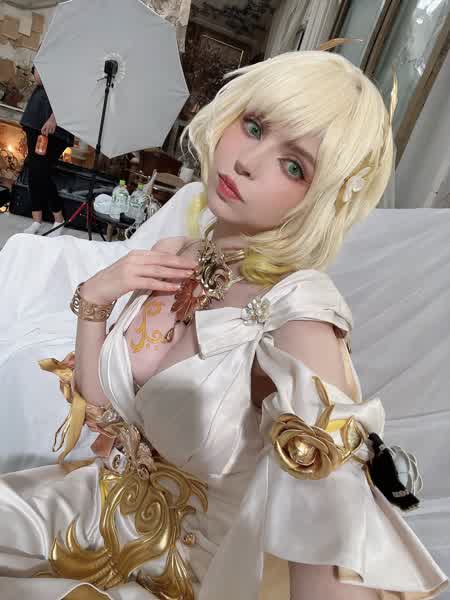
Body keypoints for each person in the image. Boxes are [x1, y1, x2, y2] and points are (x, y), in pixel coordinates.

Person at [0, 50, 447, 599]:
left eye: (294, 166)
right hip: (89, 509)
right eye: (254, 126)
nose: (247, 161)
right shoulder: (176, 253)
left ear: (323, 200)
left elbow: (332, 535)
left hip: (180, 578)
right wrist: (94, 299)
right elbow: (104, 415)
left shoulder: (298, 319)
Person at [20, 65, 74, 236]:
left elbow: (73, 92)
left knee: (42, 170)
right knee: (34, 170)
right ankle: (37, 221)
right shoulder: (47, 55)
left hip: (58, 126)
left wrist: (54, 118)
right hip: (35, 117)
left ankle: (59, 219)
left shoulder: (73, 61)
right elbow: (39, 79)